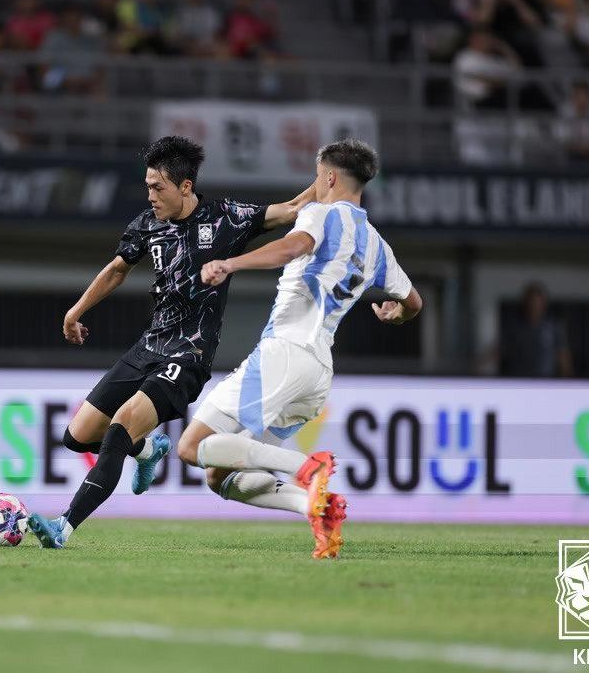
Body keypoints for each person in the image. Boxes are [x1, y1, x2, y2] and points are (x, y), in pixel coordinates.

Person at [27, 136, 320, 549]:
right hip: (148, 347)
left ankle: (64, 526)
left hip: (188, 357)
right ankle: (147, 451)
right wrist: (75, 312)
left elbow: (290, 209)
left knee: (120, 428)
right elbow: (117, 269)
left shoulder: (226, 217)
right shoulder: (147, 224)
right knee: (78, 436)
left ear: (185, 187)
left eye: (158, 187)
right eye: (147, 186)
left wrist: (329, 180)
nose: (150, 196)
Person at [171, 139, 423, 559]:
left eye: (318, 176)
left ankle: (308, 467)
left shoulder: (320, 214)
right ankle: (315, 506)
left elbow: (294, 246)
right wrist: (395, 315)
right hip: (318, 372)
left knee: (191, 447)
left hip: (284, 351)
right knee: (219, 475)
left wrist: (231, 263)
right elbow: (413, 302)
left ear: (329, 177)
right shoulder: (378, 245)